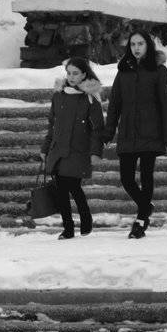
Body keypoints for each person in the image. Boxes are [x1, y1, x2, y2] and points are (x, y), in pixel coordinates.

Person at [104, 30, 167, 239]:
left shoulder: (159, 71)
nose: (136, 48)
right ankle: (146, 206)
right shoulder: (123, 71)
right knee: (126, 179)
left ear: (148, 46)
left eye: (140, 44)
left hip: (151, 132)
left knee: (146, 177)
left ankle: (141, 220)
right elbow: (115, 104)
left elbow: (166, 105)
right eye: (133, 44)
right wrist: (109, 132)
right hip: (127, 132)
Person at [40, 57, 105, 240]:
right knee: (62, 190)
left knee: (74, 187)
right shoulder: (59, 95)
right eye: (69, 73)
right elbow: (52, 125)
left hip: (78, 150)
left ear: (84, 74)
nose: (71, 77)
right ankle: (68, 228)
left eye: (75, 73)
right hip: (58, 150)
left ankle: (85, 219)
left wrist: (95, 152)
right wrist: (45, 148)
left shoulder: (90, 98)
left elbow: (97, 129)